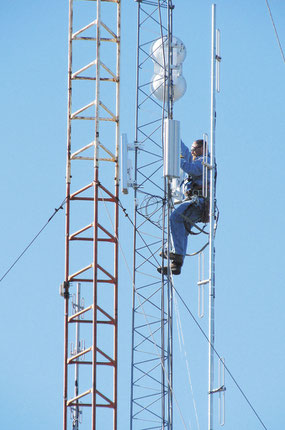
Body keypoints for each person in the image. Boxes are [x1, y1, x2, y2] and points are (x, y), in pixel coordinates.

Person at [157, 139, 209, 275]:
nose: (192, 151)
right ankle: (176, 264)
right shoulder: (196, 158)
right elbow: (185, 152)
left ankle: (177, 255)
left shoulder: (205, 161)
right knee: (182, 228)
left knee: (175, 218)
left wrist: (176, 160)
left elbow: (190, 168)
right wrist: (173, 137)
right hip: (195, 202)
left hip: (199, 202)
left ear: (203, 148)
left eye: (195, 149)